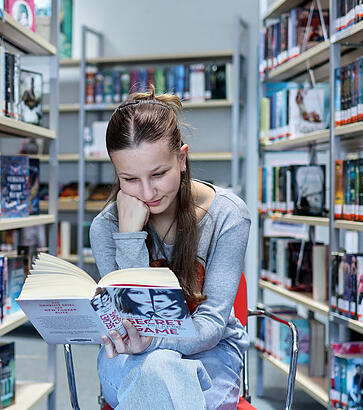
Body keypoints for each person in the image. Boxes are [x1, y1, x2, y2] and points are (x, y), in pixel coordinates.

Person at [90, 88, 251, 410]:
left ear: (182, 157)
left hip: (210, 357)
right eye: (130, 179)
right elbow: (131, 318)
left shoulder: (228, 215)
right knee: (156, 370)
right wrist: (129, 235)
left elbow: (212, 325)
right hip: (128, 359)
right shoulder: (106, 226)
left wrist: (154, 342)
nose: (147, 192)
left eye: (159, 174)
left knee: (159, 368)